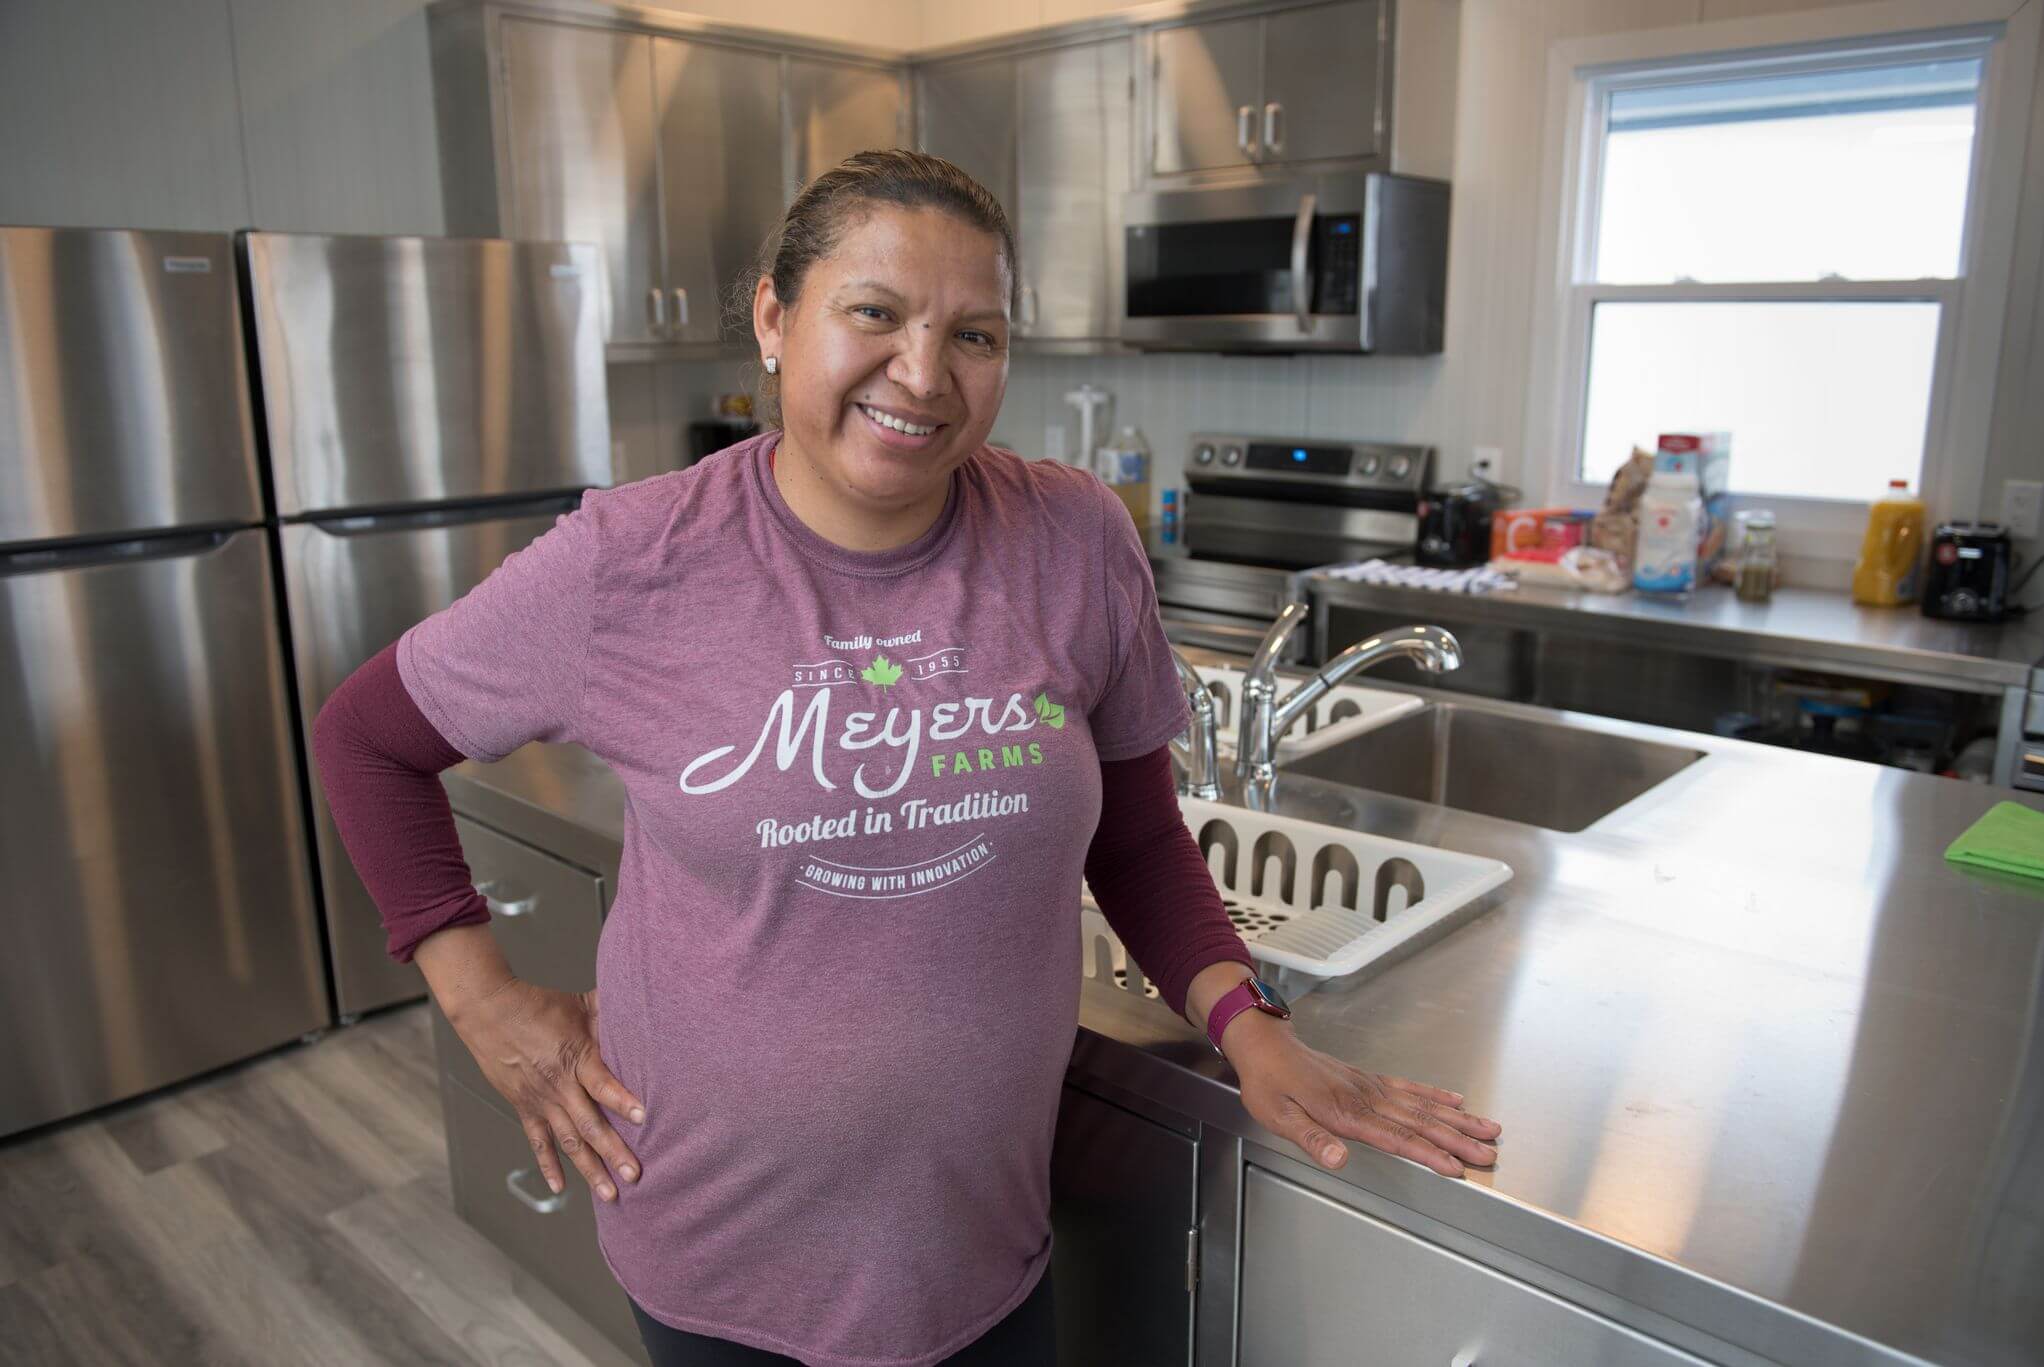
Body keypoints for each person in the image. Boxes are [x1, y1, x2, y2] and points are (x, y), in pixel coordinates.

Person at [314, 149, 1500, 1367]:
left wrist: (1250, 1023)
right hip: (719, 1257)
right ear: (774, 316)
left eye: (974, 336)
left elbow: (1136, 837)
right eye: (872, 313)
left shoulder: (1072, 540)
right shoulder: (632, 560)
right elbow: (364, 736)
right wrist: (480, 998)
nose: (923, 375)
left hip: (979, 1250)